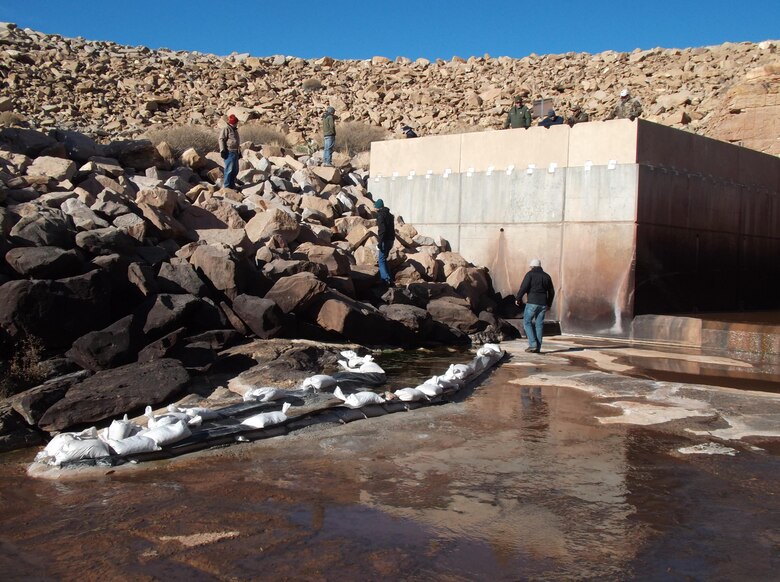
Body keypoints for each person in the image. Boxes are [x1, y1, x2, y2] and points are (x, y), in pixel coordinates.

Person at [515, 258, 555, 353]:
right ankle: (538, 347)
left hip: (532, 302)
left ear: (532, 266)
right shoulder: (547, 276)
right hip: (543, 304)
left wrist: (518, 298)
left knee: (527, 322)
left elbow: (524, 287)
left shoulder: (530, 274)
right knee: (539, 325)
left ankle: (533, 344)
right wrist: (549, 304)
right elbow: (552, 292)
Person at [374, 197, 395, 286]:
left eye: (375, 207)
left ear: (378, 207)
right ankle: (389, 277)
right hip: (391, 240)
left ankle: (385, 279)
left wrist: (380, 242)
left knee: (381, 260)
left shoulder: (380, 215)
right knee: (384, 259)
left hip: (384, 240)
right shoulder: (390, 215)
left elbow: (382, 230)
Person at [218, 114, 240, 189]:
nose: (237, 124)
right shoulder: (226, 129)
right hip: (229, 152)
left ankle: (232, 185)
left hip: (235, 152)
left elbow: (236, 142)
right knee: (228, 170)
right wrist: (222, 150)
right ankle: (227, 186)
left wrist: (239, 152)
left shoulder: (235, 130)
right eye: (236, 123)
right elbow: (221, 139)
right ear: (233, 123)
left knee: (235, 170)